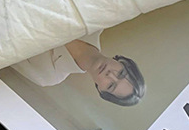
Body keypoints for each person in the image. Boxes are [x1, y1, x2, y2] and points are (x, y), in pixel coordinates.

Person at [10, 31, 145, 106]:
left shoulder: (48, 76)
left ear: (101, 90)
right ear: (123, 62)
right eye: (121, 73)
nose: (110, 75)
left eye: (111, 85)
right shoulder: (95, 24)